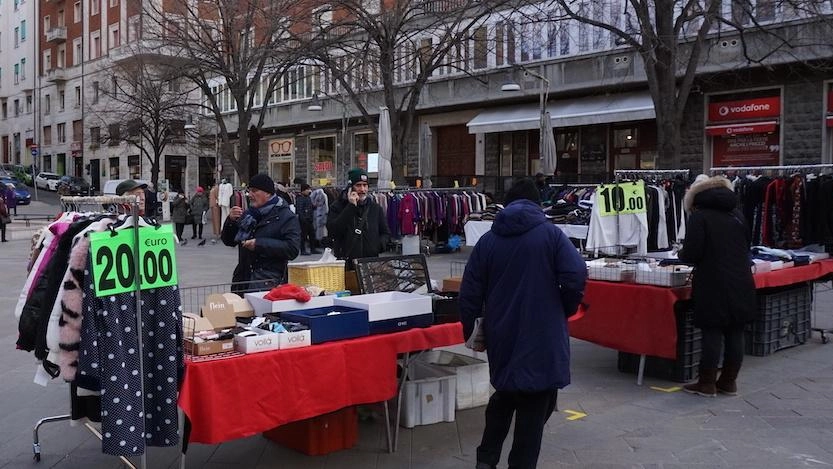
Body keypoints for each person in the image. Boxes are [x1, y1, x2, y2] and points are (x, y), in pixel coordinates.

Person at [459, 178, 587, 469]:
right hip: (543, 334)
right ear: (536, 203)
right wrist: (564, 307)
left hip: (502, 331)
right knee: (533, 405)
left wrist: (472, 332)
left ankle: (486, 459)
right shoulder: (552, 235)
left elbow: (469, 293)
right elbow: (576, 273)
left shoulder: (488, 241)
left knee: (505, 393)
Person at [678, 175, 756, 397]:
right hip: (741, 279)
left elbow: (692, 253)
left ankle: (706, 383)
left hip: (713, 281)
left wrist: (681, 254)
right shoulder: (737, 214)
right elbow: (746, 244)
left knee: (712, 330)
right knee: (735, 330)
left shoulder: (700, 217)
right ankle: (729, 382)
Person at [222, 173, 300, 293]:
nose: (250, 195)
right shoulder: (249, 214)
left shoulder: (286, 216)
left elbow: (292, 249)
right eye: (249, 191)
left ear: (267, 193)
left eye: (254, 191)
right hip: (243, 280)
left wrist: (259, 244)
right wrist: (230, 221)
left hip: (269, 283)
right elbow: (229, 241)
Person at [327, 168, 390, 268]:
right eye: (358, 185)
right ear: (350, 188)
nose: (362, 189)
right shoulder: (337, 207)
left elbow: (385, 233)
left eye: (365, 185)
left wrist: (377, 246)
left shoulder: (375, 208)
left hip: (371, 264)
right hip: (347, 264)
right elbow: (333, 231)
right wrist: (351, 207)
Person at [295, 183, 320, 256]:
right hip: (304, 221)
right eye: (307, 189)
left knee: (312, 235)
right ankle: (303, 250)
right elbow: (299, 210)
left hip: (309, 219)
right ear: (303, 190)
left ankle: (313, 248)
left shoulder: (308, 197)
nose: (309, 191)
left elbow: (310, 207)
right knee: (303, 236)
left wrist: (314, 206)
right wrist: (303, 219)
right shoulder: (300, 198)